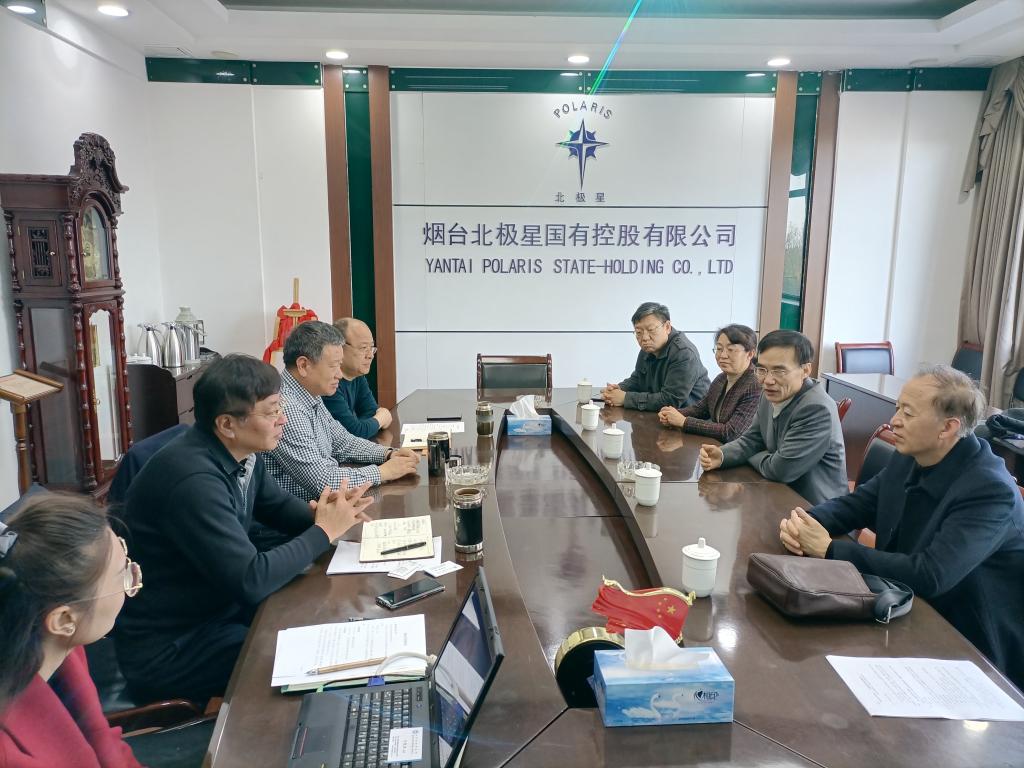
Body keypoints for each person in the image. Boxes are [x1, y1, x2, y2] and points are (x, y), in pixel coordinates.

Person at [114, 354, 374, 704]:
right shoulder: (193, 481)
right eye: (271, 412)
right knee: (312, 662)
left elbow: (277, 507)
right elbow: (251, 579)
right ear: (227, 424)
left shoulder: (241, 453)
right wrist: (323, 531)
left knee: (327, 622)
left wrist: (330, 513)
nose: (282, 419)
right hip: (174, 646)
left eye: (280, 407)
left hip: (219, 611)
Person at [779, 366, 1024, 688]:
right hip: (902, 604)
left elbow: (931, 575)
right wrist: (805, 522)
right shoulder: (911, 456)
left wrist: (829, 549)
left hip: (970, 641)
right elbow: (857, 505)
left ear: (948, 427)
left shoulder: (989, 491)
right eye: (897, 408)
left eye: (908, 413)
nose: (894, 420)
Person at [1, 494, 143, 768]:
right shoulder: (8, 754)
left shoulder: (65, 649)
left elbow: (104, 742)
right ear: (64, 619)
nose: (132, 578)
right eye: (122, 575)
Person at [264, 321, 420, 501]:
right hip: (301, 513)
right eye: (333, 366)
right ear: (303, 365)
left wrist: (388, 454)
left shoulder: (309, 394)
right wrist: (383, 472)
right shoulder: (287, 408)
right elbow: (323, 481)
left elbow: (343, 442)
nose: (339, 374)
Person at [699, 330, 847, 505]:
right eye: (762, 370)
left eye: (779, 371)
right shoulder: (771, 393)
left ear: (806, 370)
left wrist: (752, 455)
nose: (768, 380)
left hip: (814, 508)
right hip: (776, 493)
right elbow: (753, 438)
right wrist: (723, 454)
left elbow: (781, 470)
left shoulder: (816, 409)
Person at [658, 324, 760, 442]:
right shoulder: (721, 378)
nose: (722, 355)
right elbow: (701, 409)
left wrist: (684, 422)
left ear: (750, 354)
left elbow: (731, 432)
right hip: (716, 447)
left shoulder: (755, 385)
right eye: (719, 349)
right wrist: (672, 414)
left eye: (731, 350)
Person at [601, 302, 710, 412]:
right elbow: (638, 379)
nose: (644, 338)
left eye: (651, 330)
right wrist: (618, 389)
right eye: (638, 332)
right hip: (658, 415)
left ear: (667, 327)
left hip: (689, 418)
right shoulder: (649, 347)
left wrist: (625, 398)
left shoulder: (684, 353)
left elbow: (670, 400)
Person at [323, 318, 392, 439]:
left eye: (372, 348)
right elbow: (353, 432)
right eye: (363, 348)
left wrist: (363, 425)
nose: (370, 355)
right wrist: (381, 418)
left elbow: (371, 412)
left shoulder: (357, 375)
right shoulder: (329, 382)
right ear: (340, 347)